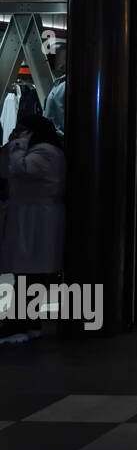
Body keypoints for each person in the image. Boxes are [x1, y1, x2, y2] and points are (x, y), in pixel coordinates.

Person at [0, 114, 66, 343]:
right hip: (32, 218)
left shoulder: (44, 152)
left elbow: (20, 168)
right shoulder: (47, 151)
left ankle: (20, 323)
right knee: (29, 274)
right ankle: (27, 323)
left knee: (27, 273)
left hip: (35, 220)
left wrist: (17, 145)